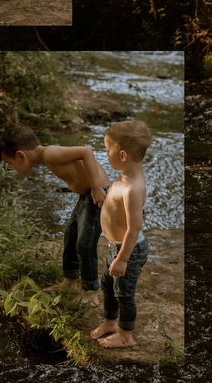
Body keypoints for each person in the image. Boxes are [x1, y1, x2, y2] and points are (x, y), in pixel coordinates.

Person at [0, 124, 111, 305]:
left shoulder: (50, 154)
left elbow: (86, 151)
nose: (12, 168)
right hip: (86, 195)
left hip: (97, 194)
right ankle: (70, 280)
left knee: (85, 243)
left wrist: (97, 187)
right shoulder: (46, 157)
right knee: (70, 235)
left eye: (10, 164)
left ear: (20, 155)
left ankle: (91, 291)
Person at [90, 120, 152, 348]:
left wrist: (123, 258)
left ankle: (126, 334)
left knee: (124, 292)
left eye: (107, 150)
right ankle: (109, 321)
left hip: (129, 250)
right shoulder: (124, 176)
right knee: (107, 284)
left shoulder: (133, 188)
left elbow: (134, 227)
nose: (106, 154)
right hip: (116, 246)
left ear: (123, 155)